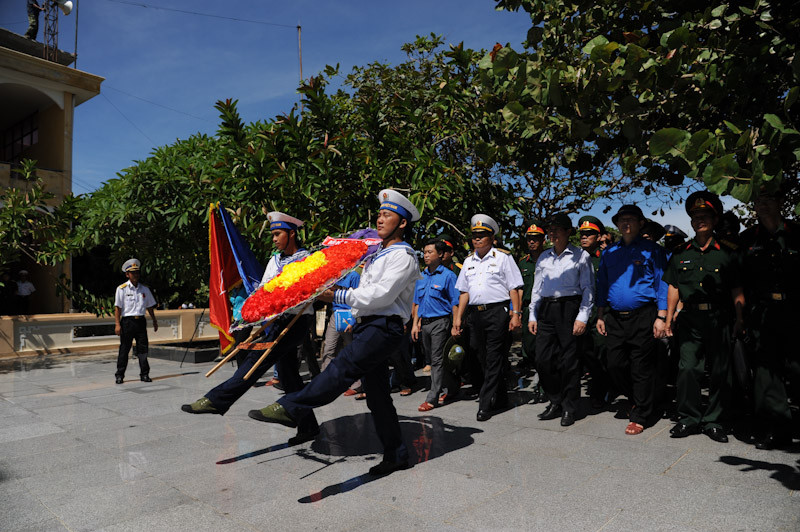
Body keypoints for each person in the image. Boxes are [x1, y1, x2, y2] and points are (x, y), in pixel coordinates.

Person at [248, 189, 422, 476]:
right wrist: (354, 315)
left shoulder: (403, 256)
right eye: (379, 214)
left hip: (385, 326)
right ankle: (396, 454)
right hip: (370, 323)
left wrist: (336, 297)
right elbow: (367, 294)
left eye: (387, 215)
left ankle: (293, 407)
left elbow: (380, 296)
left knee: (343, 366)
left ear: (402, 223)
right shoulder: (378, 254)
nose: (380, 219)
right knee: (377, 397)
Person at [181, 212, 320, 446]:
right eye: (273, 234)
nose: (274, 239)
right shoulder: (275, 260)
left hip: (295, 321)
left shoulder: (307, 260)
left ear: (292, 234)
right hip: (275, 321)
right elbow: (264, 289)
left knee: (256, 361)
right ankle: (308, 426)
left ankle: (217, 400)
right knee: (288, 376)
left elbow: (306, 292)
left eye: (278, 234)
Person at [664, 191, 744, 443]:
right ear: (690, 221)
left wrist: (740, 318)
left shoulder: (727, 252)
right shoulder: (680, 252)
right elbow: (674, 286)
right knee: (687, 368)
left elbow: (736, 288)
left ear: (715, 219)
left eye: (705, 215)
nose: (700, 220)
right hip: (689, 319)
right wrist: (668, 319)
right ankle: (689, 418)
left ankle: (714, 420)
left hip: (719, 318)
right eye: (696, 216)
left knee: (721, 370)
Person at [596, 205, 668, 435]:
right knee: (614, 363)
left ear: (640, 223)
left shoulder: (651, 250)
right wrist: (600, 315)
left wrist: (661, 316)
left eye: (631, 219)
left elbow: (662, 284)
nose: (626, 223)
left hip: (643, 315)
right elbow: (602, 285)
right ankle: (638, 398)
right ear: (617, 224)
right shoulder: (609, 252)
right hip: (615, 317)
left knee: (641, 366)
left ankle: (641, 414)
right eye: (622, 219)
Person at [738, 186, 800, 450]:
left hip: (796, 310)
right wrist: (741, 316)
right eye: (758, 200)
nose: (762, 205)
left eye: (768, 199)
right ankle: (779, 430)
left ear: (781, 201)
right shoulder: (747, 238)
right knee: (766, 372)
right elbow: (738, 281)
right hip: (762, 313)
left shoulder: (797, 233)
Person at [452, 214, 524, 422]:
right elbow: (464, 292)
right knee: (480, 355)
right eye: (475, 235)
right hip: (475, 314)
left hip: (497, 312)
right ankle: (500, 396)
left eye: (482, 235)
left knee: (493, 357)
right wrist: (458, 318)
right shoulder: (468, 261)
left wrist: (516, 314)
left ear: (492, 238)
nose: (477, 239)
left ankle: (485, 403)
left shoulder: (503, 258)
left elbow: (514, 287)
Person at [528, 213, 594, 426]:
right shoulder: (544, 257)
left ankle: (569, 406)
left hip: (570, 308)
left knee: (569, 362)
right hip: (547, 310)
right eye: (550, 229)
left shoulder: (580, 256)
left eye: (557, 229)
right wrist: (532, 314)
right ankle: (555, 399)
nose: (552, 233)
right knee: (542, 359)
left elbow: (588, 289)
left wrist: (582, 316)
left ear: (568, 232)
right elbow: (536, 289)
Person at [412, 238, 460, 412]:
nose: (425, 255)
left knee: (437, 361)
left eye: (429, 252)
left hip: (441, 322)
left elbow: (455, 302)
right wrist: (415, 324)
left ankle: (432, 397)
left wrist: (456, 324)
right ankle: (453, 388)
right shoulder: (421, 275)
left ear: (440, 254)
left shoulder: (448, 276)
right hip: (425, 323)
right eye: (424, 252)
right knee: (433, 359)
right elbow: (417, 302)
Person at [577, 215, 611, 409]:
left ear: (599, 237)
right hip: (580, 313)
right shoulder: (573, 258)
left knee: (600, 353)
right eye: (582, 234)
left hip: (601, 313)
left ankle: (601, 391)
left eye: (589, 234)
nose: (584, 237)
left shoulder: (606, 257)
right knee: (584, 354)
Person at [114, 259, 158, 384]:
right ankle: (119, 375)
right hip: (127, 322)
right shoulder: (121, 289)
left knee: (143, 349)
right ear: (127, 274)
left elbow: (149, 306)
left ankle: (144, 374)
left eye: (137, 272)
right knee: (124, 349)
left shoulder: (144, 289)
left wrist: (154, 320)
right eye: (133, 273)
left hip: (140, 322)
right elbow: (118, 308)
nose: (135, 275)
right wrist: (117, 324)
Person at [517, 220, 546, 397]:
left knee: (546, 348)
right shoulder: (522, 263)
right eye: (529, 239)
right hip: (528, 310)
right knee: (530, 349)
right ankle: (539, 374)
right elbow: (519, 290)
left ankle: (544, 385)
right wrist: (517, 313)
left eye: (536, 238)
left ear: (543, 240)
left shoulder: (550, 259)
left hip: (547, 309)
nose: (532, 242)